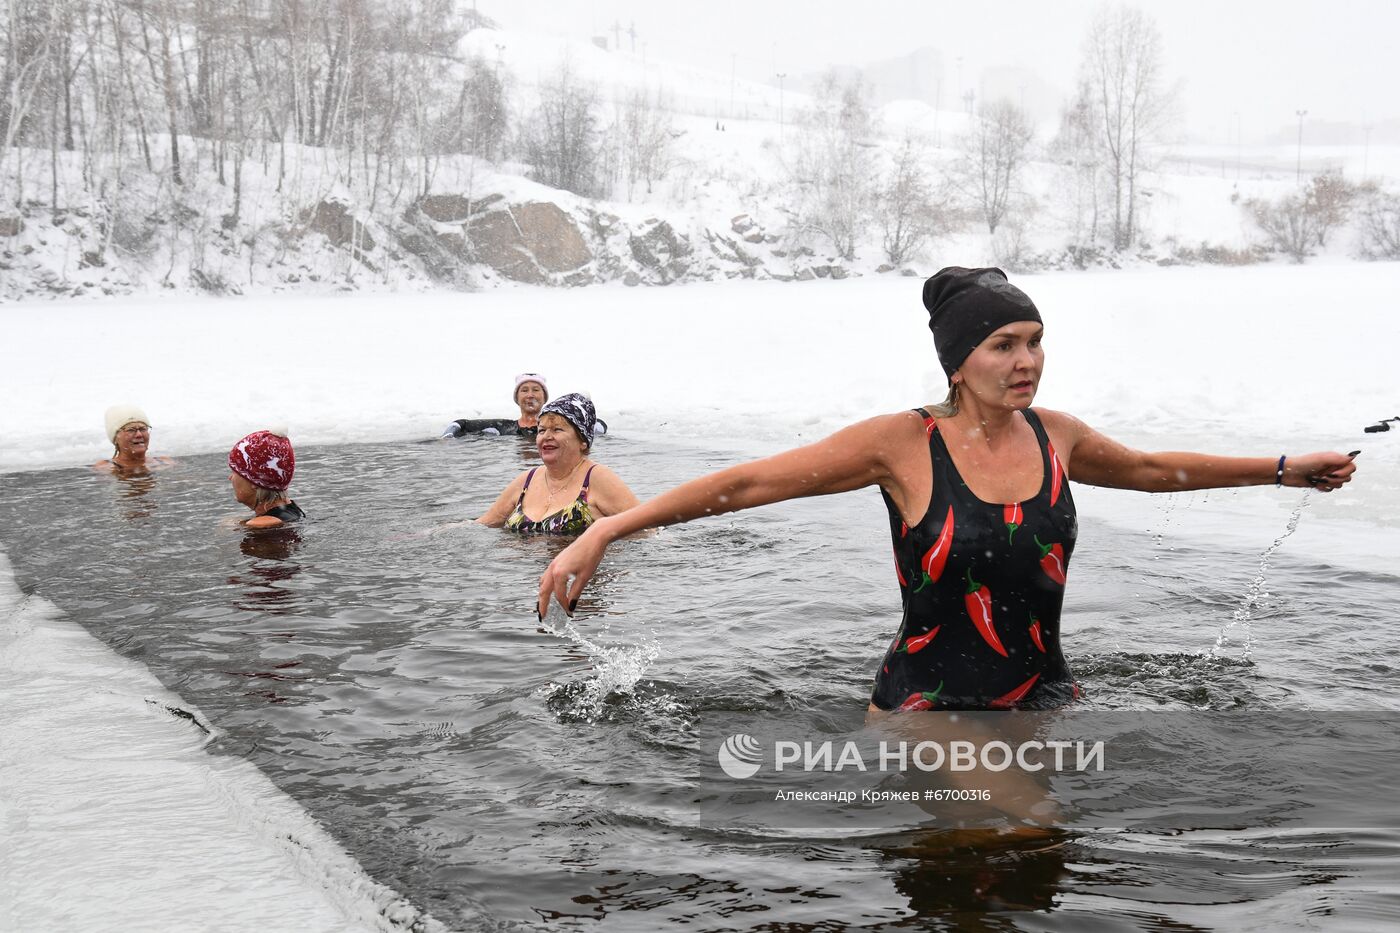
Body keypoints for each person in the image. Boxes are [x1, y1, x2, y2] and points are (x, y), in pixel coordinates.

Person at [537, 267, 1358, 711]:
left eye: (1035, 342)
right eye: (1004, 344)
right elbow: (753, 481)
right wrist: (607, 528)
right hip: (929, 707)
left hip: (1045, 695)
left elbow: (1148, 469)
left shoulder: (1055, 434)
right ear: (958, 360)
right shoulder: (903, 443)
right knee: (1019, 846)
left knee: (1027, 878)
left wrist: (1282, 469)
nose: (1027, 360)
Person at [477, 393, 638, 535]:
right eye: (541, 430)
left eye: (557, 430)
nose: (546, 436)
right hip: (525, 569)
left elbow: (645, 531)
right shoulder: (527, 479)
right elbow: (484, 525)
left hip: (578, 569)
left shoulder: (597, 478)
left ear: (582, 440)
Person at [228, 429, 306, 528]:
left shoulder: (261, 524)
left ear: (254, 481)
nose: (230, 478)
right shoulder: (292, 512)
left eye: (235, 472)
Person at [442, 373, 549, 438]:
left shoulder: (554, 429)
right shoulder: (504, 426)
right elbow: (462, 424)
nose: (530, 395)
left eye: (535, 390)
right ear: (517, 399)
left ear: (544, 398)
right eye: (524, 390)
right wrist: (447, 437)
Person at [94, 405, 174, 474]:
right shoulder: (106, 467)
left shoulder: (164, 462)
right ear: (116, 438)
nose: (139, 435)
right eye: (131, 430)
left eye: (143, 429)